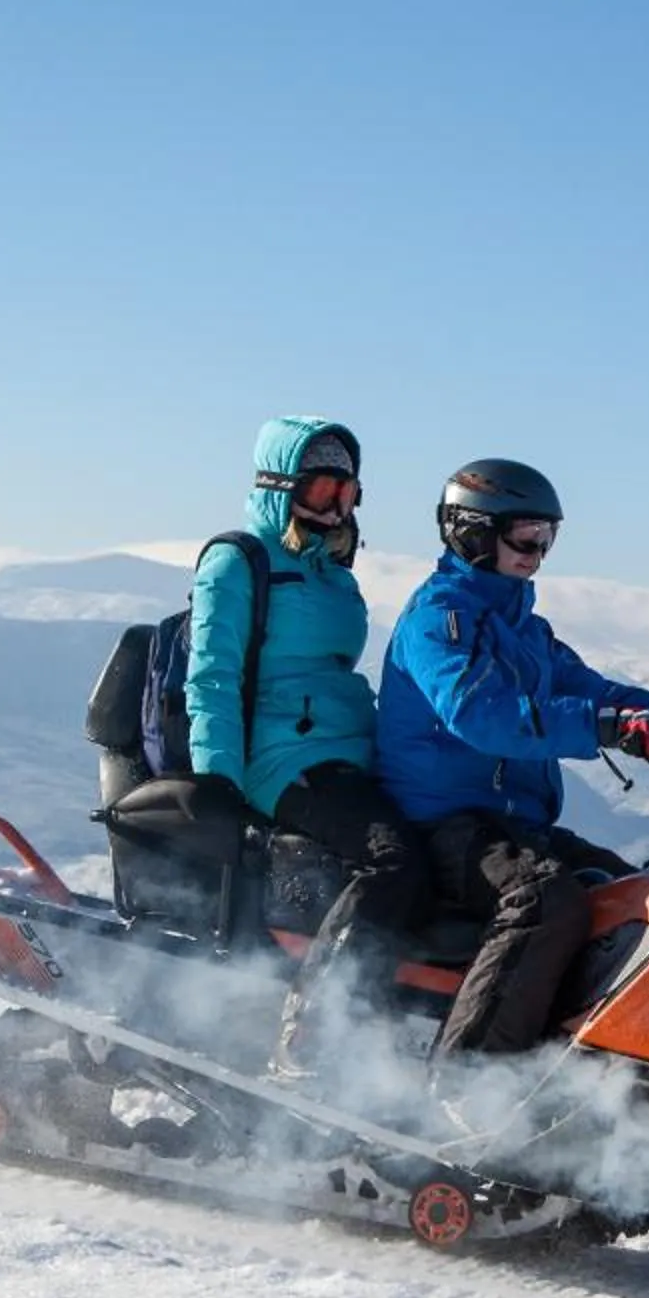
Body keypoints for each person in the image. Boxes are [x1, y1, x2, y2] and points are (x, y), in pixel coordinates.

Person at [377, 458, 649, 1061]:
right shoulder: (439, 617)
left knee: (638, 894)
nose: (537, 552)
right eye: (525, 536)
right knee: (544, 900)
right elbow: (479, 714)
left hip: (512, 823)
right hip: (445, 821)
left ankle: (578, 1071)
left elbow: (599, 691)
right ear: (472, 531)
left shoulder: (526, 629)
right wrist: (606, 730)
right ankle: (462, 1083)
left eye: (547, 538)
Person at [184, 416, 428, 1078]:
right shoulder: (238, 560)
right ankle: (319, 1029)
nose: (337, 505)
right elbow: (210, 677)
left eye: (348, 492)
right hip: (279, 759)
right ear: (279, 486)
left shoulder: (331, 573)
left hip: (342, 756)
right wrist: (217, 788)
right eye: (322, 488)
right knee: (391, 858)